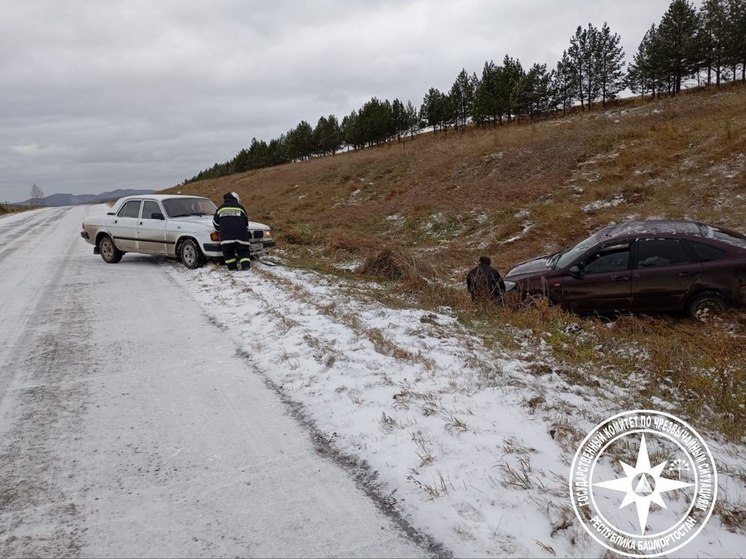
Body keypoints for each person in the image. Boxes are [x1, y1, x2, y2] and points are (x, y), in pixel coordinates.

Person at [213, 192, 251, 271]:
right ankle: (246, 268)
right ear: (236, 199)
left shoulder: (220, 208)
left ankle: (233, 269)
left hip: (226, 237)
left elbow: (215, 223)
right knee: (244, 252)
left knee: (228, 253)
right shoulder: (241, 208)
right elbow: (246, 224)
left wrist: (222, 229)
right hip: (241, 236)